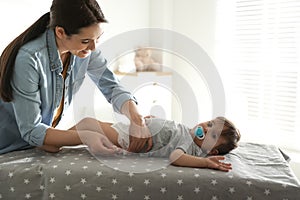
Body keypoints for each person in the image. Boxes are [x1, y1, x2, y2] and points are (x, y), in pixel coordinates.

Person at [0, 0, 152, 155]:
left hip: (39, 143)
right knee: (89, 129)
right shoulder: (29, 60)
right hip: (10, 148)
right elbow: (32, 131)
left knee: (90, 125)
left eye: (98, 38)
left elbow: (112, 87)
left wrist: (136, 117)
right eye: (85, 41)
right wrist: (84, 137)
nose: (93, 48)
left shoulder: (84, 51)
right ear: (60, 32)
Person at [72, 116, 241, 172]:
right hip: (135, 130)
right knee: (91, 126)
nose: (205, 127)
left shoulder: (190, 145)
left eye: (212, 135)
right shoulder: (189, 133)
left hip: (132, 139)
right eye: (209, 123)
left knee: (88, 124)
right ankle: (58, 138)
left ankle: (56, 140)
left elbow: (176, 157)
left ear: (212, 151)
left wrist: (204, 163)